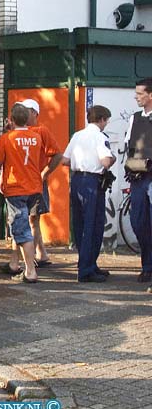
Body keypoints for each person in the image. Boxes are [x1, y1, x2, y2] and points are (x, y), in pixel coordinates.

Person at [0, 103, 42, 284]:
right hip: (34, 187)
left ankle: (30, 272)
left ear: (11, 120)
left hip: (15, 188)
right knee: (25, 225)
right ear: (27, 119)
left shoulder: (6, 139)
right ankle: (21, 266)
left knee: (21, 230)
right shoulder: (36, 137)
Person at [62, 105, 116, 283]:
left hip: (77, 180)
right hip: (92, 182)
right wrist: (113, 158)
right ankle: (86, 269)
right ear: (101, 120)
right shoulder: (100, 137)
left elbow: (65, 160)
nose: (106, 124)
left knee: (80, 225)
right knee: (93, 225)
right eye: (106, 121)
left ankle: (88, 263)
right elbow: (106, 161)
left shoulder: (77, 135)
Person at [12, 99, 63, 267]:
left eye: (26, 110)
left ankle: (29, 261)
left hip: (35, 183)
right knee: (28, 219)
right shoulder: (18, 131)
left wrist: (44, 173)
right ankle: (41, 254)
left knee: (32, 219)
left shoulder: (41, 131)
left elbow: (57, 155)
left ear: (34, 113)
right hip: (21, 183)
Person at [124, 77, 152, 283]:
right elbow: (129, 145)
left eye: (140, 93)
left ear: (151, 95)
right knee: (138, 222)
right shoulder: (134, 118)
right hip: (138, 177)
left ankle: (148, 268)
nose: (136, 97)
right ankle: (147, 264)